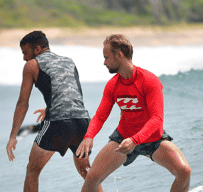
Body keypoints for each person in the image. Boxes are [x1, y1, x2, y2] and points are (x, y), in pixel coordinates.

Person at [76, 34, 191, 192]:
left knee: (184, 172)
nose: (104, 62)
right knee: (92, 178)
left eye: (106, 57)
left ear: (119, 55)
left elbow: (157, 119)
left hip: (153, 140)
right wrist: (89, 136)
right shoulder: (112, 85)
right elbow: (100, 116)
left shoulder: (149, 80)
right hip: (123, 138)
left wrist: (135, 140)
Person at [6, 31, 101, 192]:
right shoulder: (69, 61)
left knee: (32, 171)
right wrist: (49, 108)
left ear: (37, 49)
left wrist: (13, 136)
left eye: (25, 53)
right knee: (86, 171)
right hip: (82, 121)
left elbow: (23, 103)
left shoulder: (31, 65)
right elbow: (73, 94)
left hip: (58, 123)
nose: (24, 58)